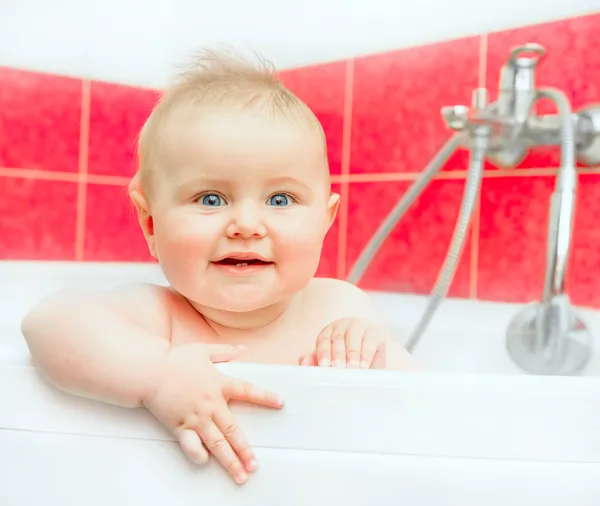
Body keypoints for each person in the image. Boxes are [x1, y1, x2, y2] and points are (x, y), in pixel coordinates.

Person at [21, 47, 416, 486]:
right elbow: (48, 325)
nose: (246, 225)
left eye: (280, 199)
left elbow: (421, 409)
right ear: (151, 224)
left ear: (325, 221)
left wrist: (376, 357)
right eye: (211, 199)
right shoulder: (159, 317)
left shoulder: (339, 306)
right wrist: (156, 376)